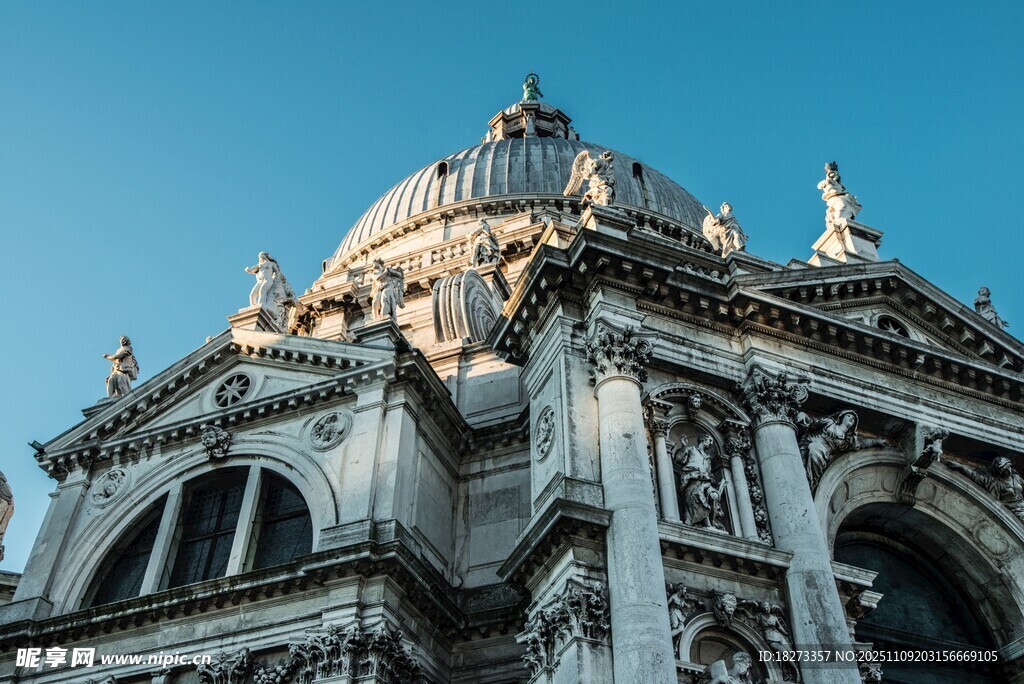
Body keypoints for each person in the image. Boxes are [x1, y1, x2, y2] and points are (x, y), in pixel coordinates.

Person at [675, 434, 726, 530]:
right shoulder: (691, 449)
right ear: (703, 439)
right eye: (710, 440)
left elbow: (710, 474)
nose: (711, 443)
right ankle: (707, 525)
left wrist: (717, 483)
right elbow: (679, 459)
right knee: (698, 496)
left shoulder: (707, 458)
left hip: (706, 482)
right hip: (692, 480)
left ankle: (713, 522)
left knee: (714, 496)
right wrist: (683, 446)